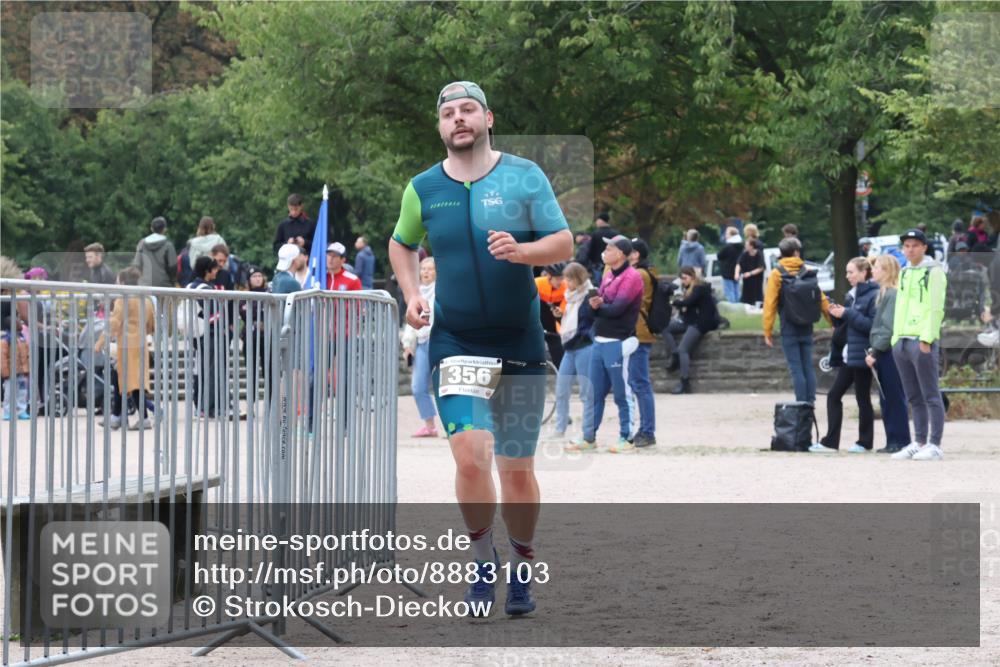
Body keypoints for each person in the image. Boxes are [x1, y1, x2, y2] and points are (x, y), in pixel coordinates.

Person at [388, 80, 572, 617]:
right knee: (472, 455)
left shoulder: (524, 176)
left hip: (518, 341)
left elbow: (562, 242)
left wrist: (523, 251)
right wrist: (412, 293)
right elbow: (402, 243)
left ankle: (520, 565)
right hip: (457, 341)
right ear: (441, 126)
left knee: (516, 467)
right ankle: (481, 559)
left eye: (467, 110)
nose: (458, 119)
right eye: (448, 113)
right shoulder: (422, 187)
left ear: (488, 118)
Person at [578, 235, 643, 453]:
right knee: (594, 392)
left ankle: (627, 438)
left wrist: (597, 306)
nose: (604, 251)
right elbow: (599, 304)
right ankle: (589, 437)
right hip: (600, 340)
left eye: (609, 248)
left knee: (622, 394)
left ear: (621, 254)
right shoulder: (607, 274)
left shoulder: (632, 277)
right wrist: (595, 305)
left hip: (618, 341)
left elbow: (617, 308)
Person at [890, 228, 947, 461]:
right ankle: (919, 441)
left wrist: (928, 336)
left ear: (924, 247)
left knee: (931, 393)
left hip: (921, 339)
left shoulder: (933, 272)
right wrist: (895, 337)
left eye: (914, 245)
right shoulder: (904, 272)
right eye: (906, 246)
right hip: (901, 339)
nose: (910, 249)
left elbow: (936, 307)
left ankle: (934, 443)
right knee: (913, 395)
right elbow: (900, 305)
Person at [811, 258, 878, 453]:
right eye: (847, 272)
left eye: (851, 272)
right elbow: (847, 324)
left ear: (864, 272)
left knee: (862, 398)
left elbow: (871, 326)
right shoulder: (851, 295)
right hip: (850, 354)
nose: (847, 276)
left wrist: (847, 313)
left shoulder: (873, 295)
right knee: (834, 395)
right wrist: (836, 314)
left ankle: (865, 442)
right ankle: (831, 442)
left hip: (863, 355)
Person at [762, 237, 831, 404]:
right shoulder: (807, 271)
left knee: (796, 369)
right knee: (808, 366)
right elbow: (821, 300)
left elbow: (769, 303)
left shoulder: (777, 274)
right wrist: (832, 322)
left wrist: (768, 330)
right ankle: (811, 402)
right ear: (797, 252)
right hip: (807, 326)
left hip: (789, 327)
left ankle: (801, 404)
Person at [94, 267, 156, 429]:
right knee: (123, 378)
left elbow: (114, 322)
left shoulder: (123, 300)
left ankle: (139, 418)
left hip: (127, 345)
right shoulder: (146, 300)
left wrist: (101, 341)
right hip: (140, 343)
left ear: (122, 282)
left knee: (130, 381)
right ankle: (118, 416)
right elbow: (151, 325)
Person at [864, 255, 911, 454]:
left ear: (886, 271)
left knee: (893, 396)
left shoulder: (891, 294)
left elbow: (888, 327)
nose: (873, 271)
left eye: (876, 268)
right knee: (886, 397)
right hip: (884, 350)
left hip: (888, 352)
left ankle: (899, 439)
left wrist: (875, 351)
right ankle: (893, 438)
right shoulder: (885, 293)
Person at [554, 262, 594, 445]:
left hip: (584, 346)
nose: (565, 282)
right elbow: (569, 322)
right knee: (561, 389)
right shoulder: (570, 297)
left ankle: (588, 431)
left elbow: (590, 322)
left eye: (568, 279)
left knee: (586, 392)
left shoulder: (590, 295)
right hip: (569, 348)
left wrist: (581, 335)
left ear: (577, 278)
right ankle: (560, 428)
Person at [664, 266, 719, 395]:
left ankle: (685, 382)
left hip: (701, 323)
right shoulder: (689, 288)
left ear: (692, 277)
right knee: (665, 328)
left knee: (683, 349)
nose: (683, 281)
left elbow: (687, 302)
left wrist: (674, 303)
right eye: (681, 279)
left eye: (685, 278)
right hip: (690, 321)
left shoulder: (700, 288)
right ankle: (674, 354)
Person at [401, 257, 439, 438]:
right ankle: (430, 425)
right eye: (423, 268)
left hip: (440, 340)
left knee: (444, 385)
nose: (425, 272)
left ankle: (453, 425)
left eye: (430, 269)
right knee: (417, 386)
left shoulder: (442, 291)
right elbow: (411, 320)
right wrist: (408, 344)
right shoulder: (416, 294)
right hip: (423, 341)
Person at [625, 238, 657, 447]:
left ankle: (647, 431)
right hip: (635, 333)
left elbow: (625, 299)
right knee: (636, 383)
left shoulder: (639, 274)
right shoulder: (641, 273)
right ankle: (640, 429)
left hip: (638, 333)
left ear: (635, 255)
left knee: (640, 383)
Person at [186, 256, 222, 418]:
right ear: (207, 270)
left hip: (194, 334)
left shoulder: (189, 285)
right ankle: (207, 405)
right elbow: (214, 314)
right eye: (214, 268)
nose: (216, 271)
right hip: (209, 334)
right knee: (209, 371)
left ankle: (199, 404)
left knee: (199, 370)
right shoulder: (206, 289)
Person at [535, 264, 567, 369]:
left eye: (562, 278)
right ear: (549, 277)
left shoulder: (566, 287)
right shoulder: (537, 283)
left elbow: (565, 306)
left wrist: (560, 312)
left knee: (557, 346)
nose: (561, 281)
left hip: (554, 319)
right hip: (538, 317)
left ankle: (561, 371)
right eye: (558, 278)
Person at [133, 216, 178, 288]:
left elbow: (137, 264)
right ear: (164, 229)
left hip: (145, 286)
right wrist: (173, 281)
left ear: (151, 228)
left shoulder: (142, 243)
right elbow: (173, 266)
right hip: (164, 285)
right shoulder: (168, 245)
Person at [584, 213, 618, 284]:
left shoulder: (596, 234)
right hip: (614, 264)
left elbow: (590, 250)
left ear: (600, 221)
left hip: (598, 265)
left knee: (599, 285)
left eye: (597, 220)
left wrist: (589, 263)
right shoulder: (615, 233)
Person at [736, 237, 765, 306]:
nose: (745, 247)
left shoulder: (759, 254)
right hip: (747, 280)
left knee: (757, 296)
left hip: (757, 279)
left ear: (751, 246)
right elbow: (739, 264)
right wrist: (736, 273)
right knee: (746, 297)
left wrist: (750, 273)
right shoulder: (744, 254)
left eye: (747, 245)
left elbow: (761, 267)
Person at [717, 227, 744, 303]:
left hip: (727, 272)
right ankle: (738, 306)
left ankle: (733, 307)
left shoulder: (727, 247)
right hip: (737, 271)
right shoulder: (741, 246)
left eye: (727, 234)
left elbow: (719, 256)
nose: (726, 235)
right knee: (736, 291)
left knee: (729, 292)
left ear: (731, 235)